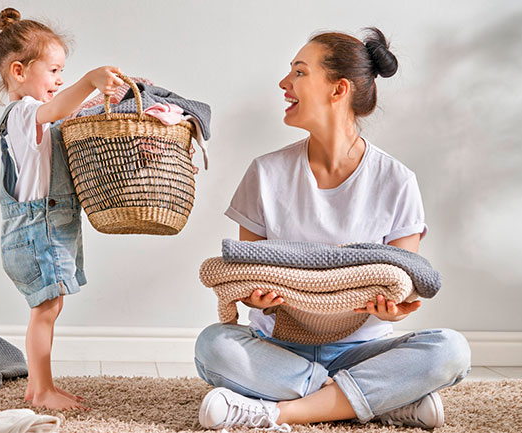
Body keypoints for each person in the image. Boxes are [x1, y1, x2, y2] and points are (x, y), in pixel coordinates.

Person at [194, 28, 471, 431]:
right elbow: (247, 274)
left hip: (364, 349)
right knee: (212, 345)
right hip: (279, 348)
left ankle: (279, 411)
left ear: (338, 89)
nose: (284, 83)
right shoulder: (265, 173)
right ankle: (379, 401)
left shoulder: (396, 180)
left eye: (300, 72)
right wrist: (256, 300)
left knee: (450, 349)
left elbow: (405, 284)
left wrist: (397, 306)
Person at [0, 8, 123, 410]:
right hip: (36, 231)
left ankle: (36, 386)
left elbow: (65, 116)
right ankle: (43, 389)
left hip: (47, 228)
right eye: (53, 70)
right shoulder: (22, 113)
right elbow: (59, 108)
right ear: (19, 71)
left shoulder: (37, 121)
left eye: (63, 71)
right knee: (45, 309)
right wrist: (88, 80)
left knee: (49, 307)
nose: (60, 78)